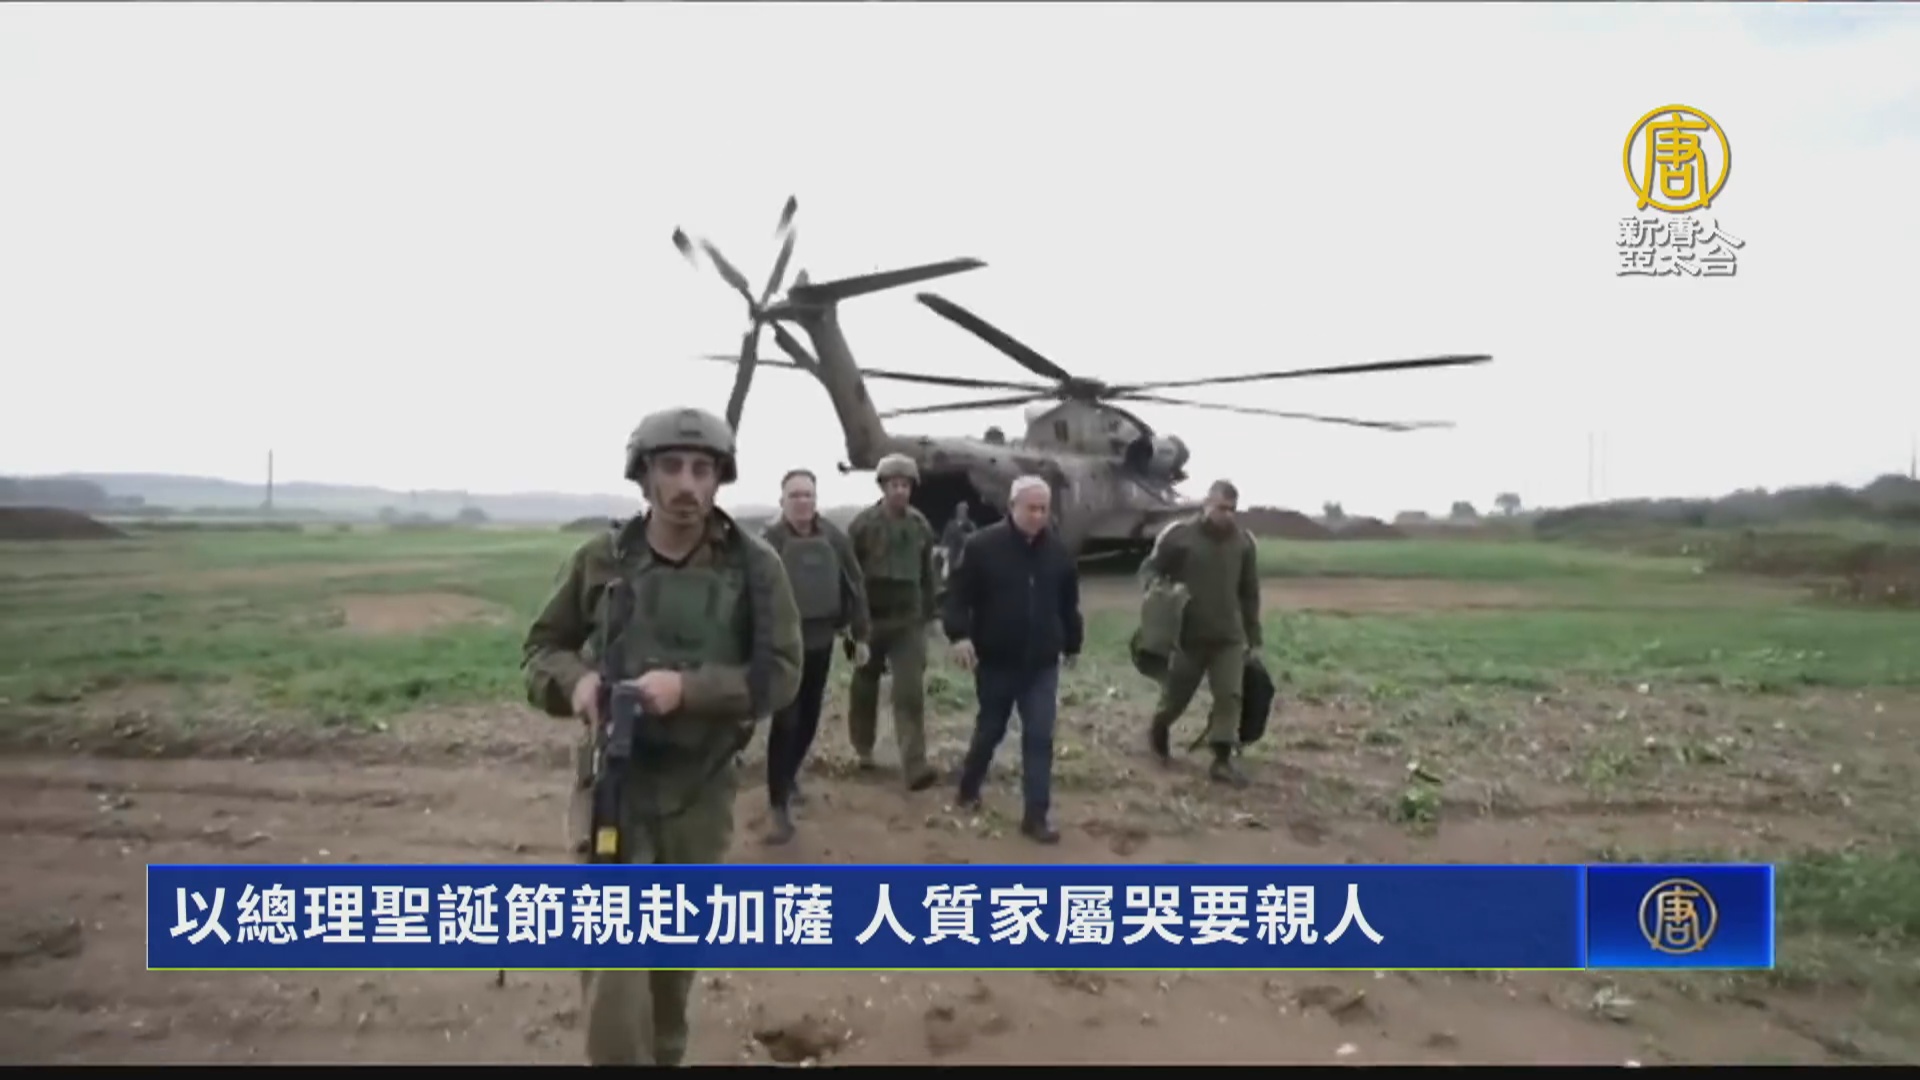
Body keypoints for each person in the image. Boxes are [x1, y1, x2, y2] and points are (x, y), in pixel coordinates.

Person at [520, 406, 803, 1066]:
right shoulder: (600, 560)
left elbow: (782, 674)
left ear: (720, 479)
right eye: (671, 467)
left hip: (700, 790)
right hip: (613, 785)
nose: (687, 485)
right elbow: (540, 650)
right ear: (644, 476)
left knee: (672, 967)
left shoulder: (756, 568)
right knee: (614, 967)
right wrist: (578, 685)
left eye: (702, 469)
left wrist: (688, 690)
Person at [943, 475, 1082, 843]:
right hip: (996, 659)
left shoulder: (1059, 552)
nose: (1038, 516)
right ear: (1012, 507)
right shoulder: (981, 546)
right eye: (1031, 508)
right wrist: (959, 635)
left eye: (1043, 509)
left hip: (1041, 663)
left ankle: (1036, 816)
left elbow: (1069, 604)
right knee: (991, 729)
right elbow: (956, 596)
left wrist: (1073, 644)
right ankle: (969, 786)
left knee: (1039, 736)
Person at [759, 467, 871, 844]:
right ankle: (777, 806)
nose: (802, 501)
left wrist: (861, 634)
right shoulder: (768, 542)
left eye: (808, 494)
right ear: (782, 501)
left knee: (808, 719)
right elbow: (749, 592)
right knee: (786, 721)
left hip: (822, 641)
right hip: (782, 646)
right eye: (795, 495)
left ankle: (788, 776)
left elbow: (855, 584)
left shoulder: (834, 538)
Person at [1141, 478, 1262, 788]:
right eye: (1222, 508)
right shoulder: (1180, 536)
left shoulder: (1243, 544)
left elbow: (1249, 592)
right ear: (1207, 505)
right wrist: (1159, 590)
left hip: (1229, 637)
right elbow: (1151, 568)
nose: (1228, 515)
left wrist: (1254, 637)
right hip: (1187, 636)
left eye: (1233, 509)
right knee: (1176, 697)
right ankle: (1159, 727)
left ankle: (1221, 759)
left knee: (1229, 696)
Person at [844, 453, 940, 791]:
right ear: (883, 487)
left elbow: (928, 575)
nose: (900, 491)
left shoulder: (920, 526)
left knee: (909, 692)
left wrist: (931, 616)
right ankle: (863, 749)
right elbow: (848, 575)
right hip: (868, 620)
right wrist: (850, 623)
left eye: (905, 485)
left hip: (907, 621)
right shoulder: (862, 525)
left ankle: (915, 765)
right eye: (894, 485)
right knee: (863, 686)